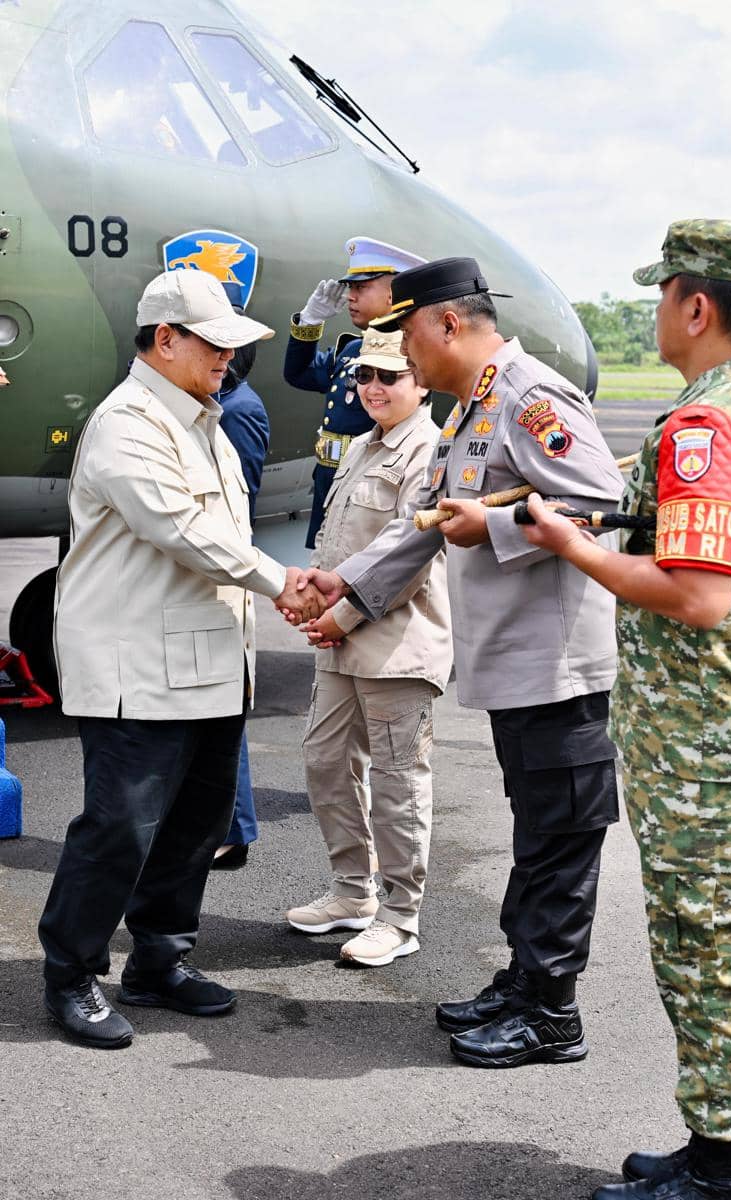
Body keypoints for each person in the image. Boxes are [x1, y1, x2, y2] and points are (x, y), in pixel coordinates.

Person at [520, 220, 731, 1200]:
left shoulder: (705, 425)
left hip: (710, 742)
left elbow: (700, 596)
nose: (654, 311)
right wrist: (615, 525)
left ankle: (730, 1169)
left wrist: (574, 549)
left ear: (697, 306)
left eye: (661, 295)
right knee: (729, 945)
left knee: (711, 953)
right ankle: (725, 1143)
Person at [290, 257, 624, 1066]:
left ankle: (552, 1014)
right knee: (539, 837)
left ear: (447, 322)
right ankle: (524, 984)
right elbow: (427, 523)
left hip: (557, 668)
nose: (405, 354)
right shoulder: (470, 411)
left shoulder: (529, 397)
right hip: (514, 668)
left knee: (560, 839)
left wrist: (501, 528)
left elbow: (602, 502)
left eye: (407, 334)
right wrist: (345, 579)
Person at [38, 269, 324, 1050]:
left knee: (197, 826)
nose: (228, 358)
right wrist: (281, 584)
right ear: (165, 340)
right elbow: (180, 529)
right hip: (138, 670)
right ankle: (71, 973)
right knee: (118, 828)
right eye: (215, 343)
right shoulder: (128, 422)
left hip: (209, 664)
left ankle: (159, 960)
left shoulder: (201, 418)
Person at [285, 326, 452, 966]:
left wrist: (340, 616)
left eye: (391, 376)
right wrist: (307, 598)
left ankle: (399, 915)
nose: (374, 388)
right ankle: (352, 892)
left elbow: (409, 554)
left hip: (395, 645)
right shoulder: (361, 445)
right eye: (365, 376)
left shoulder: (431, 452)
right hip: (339, 639)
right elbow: (335, 543)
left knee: (397, 781)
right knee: (325, 763)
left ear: (421, 382)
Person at [283, 236, 425, 547]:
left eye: (361, 288)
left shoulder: (413, 351)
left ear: (393, 294)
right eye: (350, 287)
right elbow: (298, 374)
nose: (350, 296)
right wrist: (310, 321)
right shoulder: (351, 349)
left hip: (373, 488)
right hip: (330, 484)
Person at [211, 285, 271, 871]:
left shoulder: (241, 411)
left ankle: (235, 830)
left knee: (225, 706)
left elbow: (239, 499)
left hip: (224, 571)